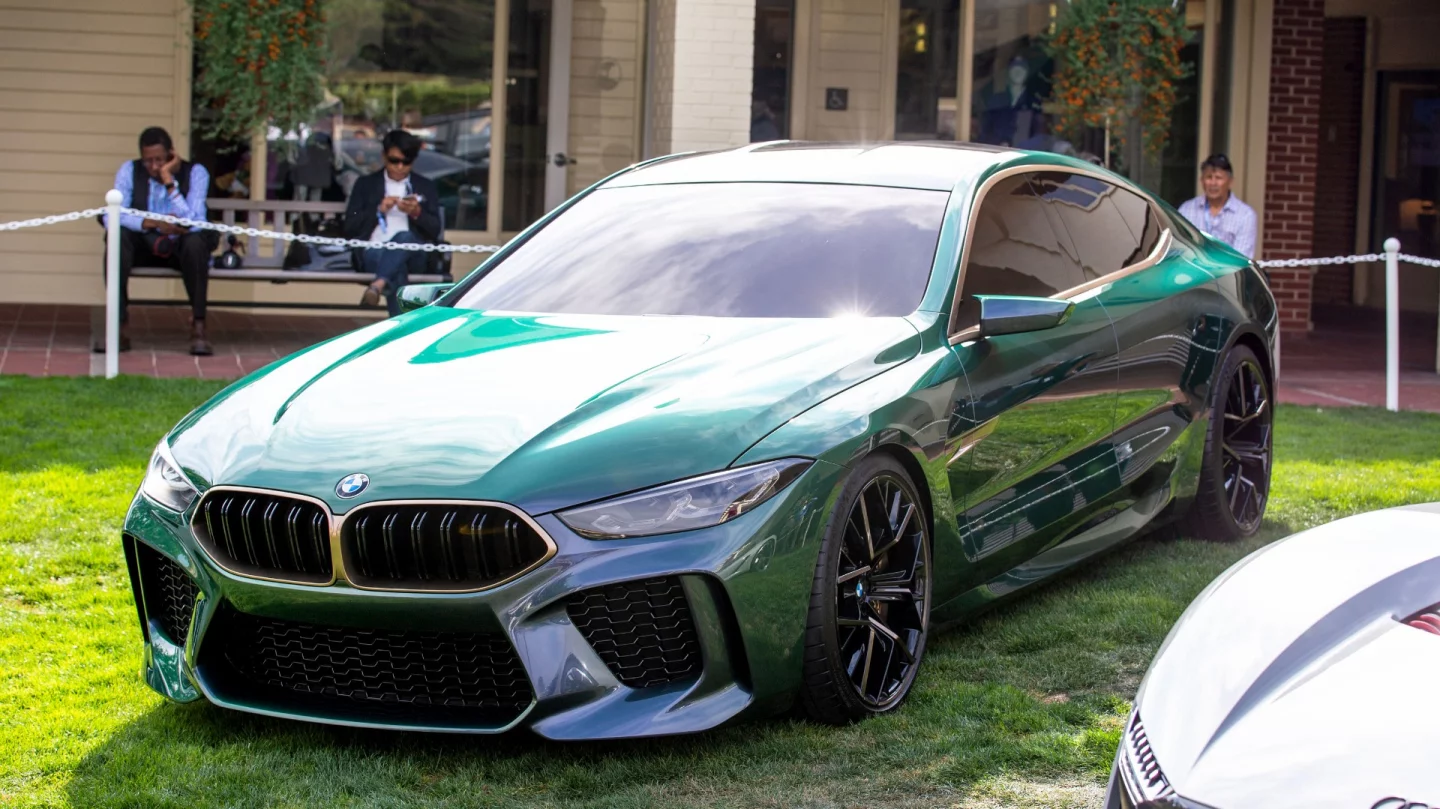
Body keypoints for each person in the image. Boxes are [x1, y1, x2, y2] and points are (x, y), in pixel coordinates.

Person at [101, 126, 214, 355]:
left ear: (171, 154)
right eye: (148, 161)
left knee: (196, 244)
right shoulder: (129, 170)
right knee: (117, 238)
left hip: (179, 248)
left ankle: (199, 327)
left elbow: (196, 219)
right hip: (145, 245)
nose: (153, 167)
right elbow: (109, 214)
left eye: (159, 160)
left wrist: (168, 181)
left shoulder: (196, 172)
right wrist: (151, 223)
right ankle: (118, 327)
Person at [343, 129, 441, 315]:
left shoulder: (425, 186)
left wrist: (417, 213)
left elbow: (435, 230)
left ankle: (378, 284)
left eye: (407, 162)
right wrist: (378, 210)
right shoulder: (366, 184)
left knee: (404, 237)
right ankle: (402, 328)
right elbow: (350, 225)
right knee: (397, 267)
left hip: (415, 254)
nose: (400, 167)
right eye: (394, 161)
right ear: (384, 157)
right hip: (374, 250)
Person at [1179, 153, 1257, 259]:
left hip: (1229, 274)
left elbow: (1241, 259)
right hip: (1195, 272)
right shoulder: (1186, 210)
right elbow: (1180, 249)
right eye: (1209, 177)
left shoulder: (1245, 215)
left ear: (1230, 182)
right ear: (1202, 180)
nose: (1213, 183)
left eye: (1219, 178)